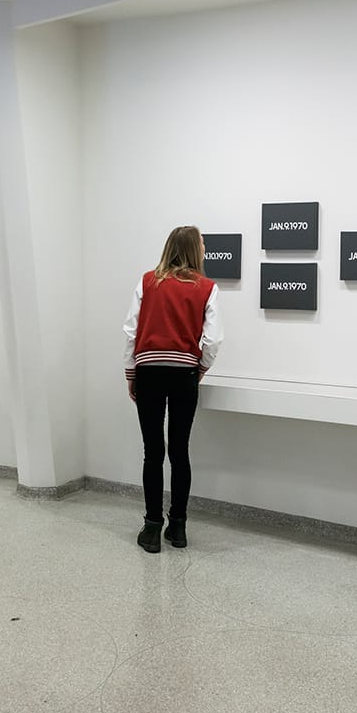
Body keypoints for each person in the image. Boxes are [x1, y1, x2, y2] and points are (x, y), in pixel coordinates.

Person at [122, 226, 223, 553]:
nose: (205, 249)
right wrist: (200, 368)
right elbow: (213, 340)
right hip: (184, 374)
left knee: (153, 451)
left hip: (149, 370)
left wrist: (131, 372)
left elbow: (130, 331)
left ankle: (152, 527)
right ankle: (177, 527)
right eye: (202, 244)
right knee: (180, 451)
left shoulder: (147, 282)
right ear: (193, 249)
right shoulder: (207, 288)